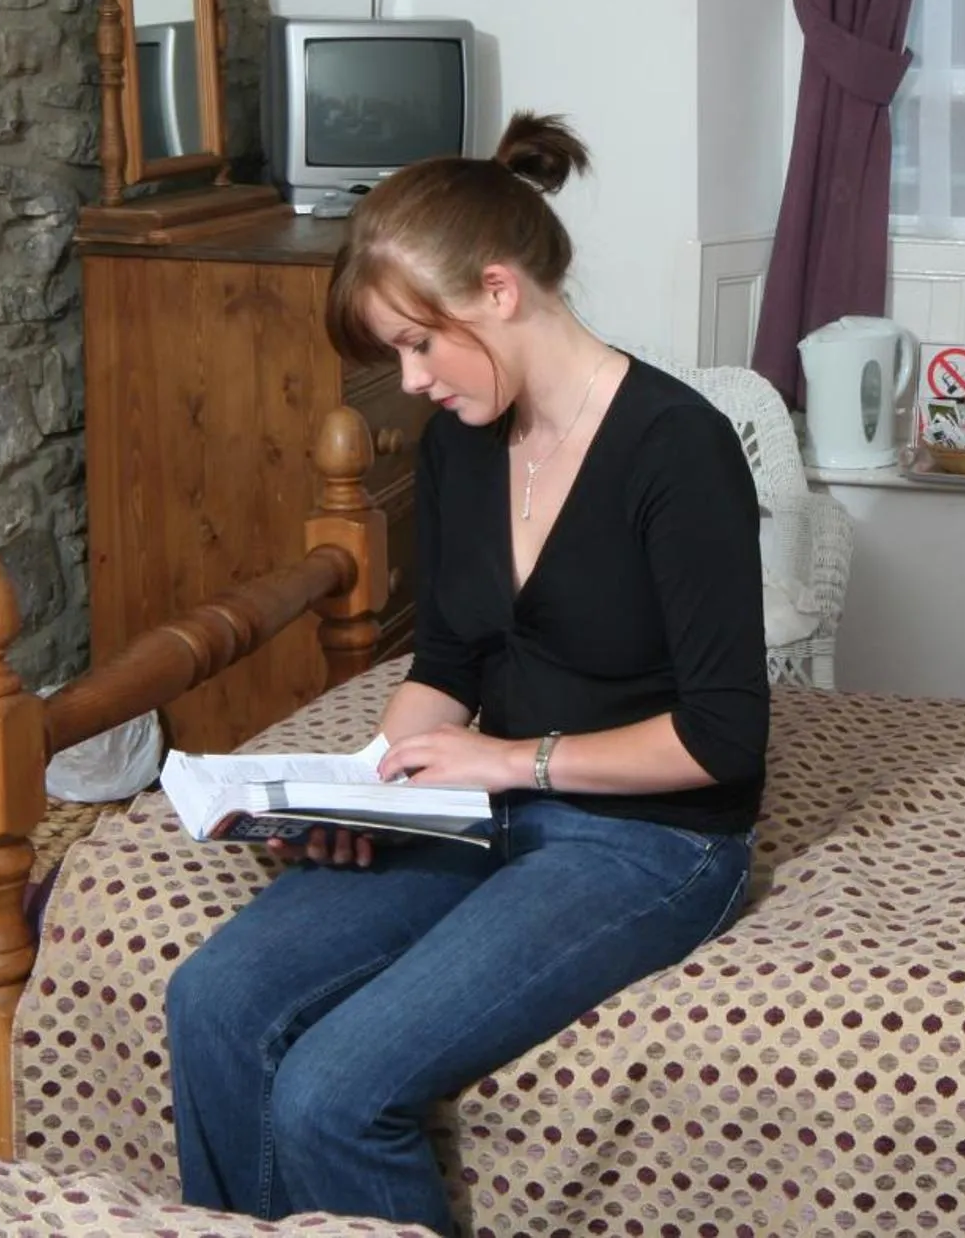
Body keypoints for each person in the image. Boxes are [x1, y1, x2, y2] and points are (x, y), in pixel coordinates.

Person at [164, 112, 769, 1234]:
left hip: (652, 838)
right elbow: (448, 656)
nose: (410, 381)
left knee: (334, 1092)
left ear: (498, 290)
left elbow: (723, 739)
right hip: (485, 806)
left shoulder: (677, 448)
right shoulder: (463, 443)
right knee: (212, 997)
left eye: (417, 345)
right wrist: (371, 786)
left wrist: (508, 759)